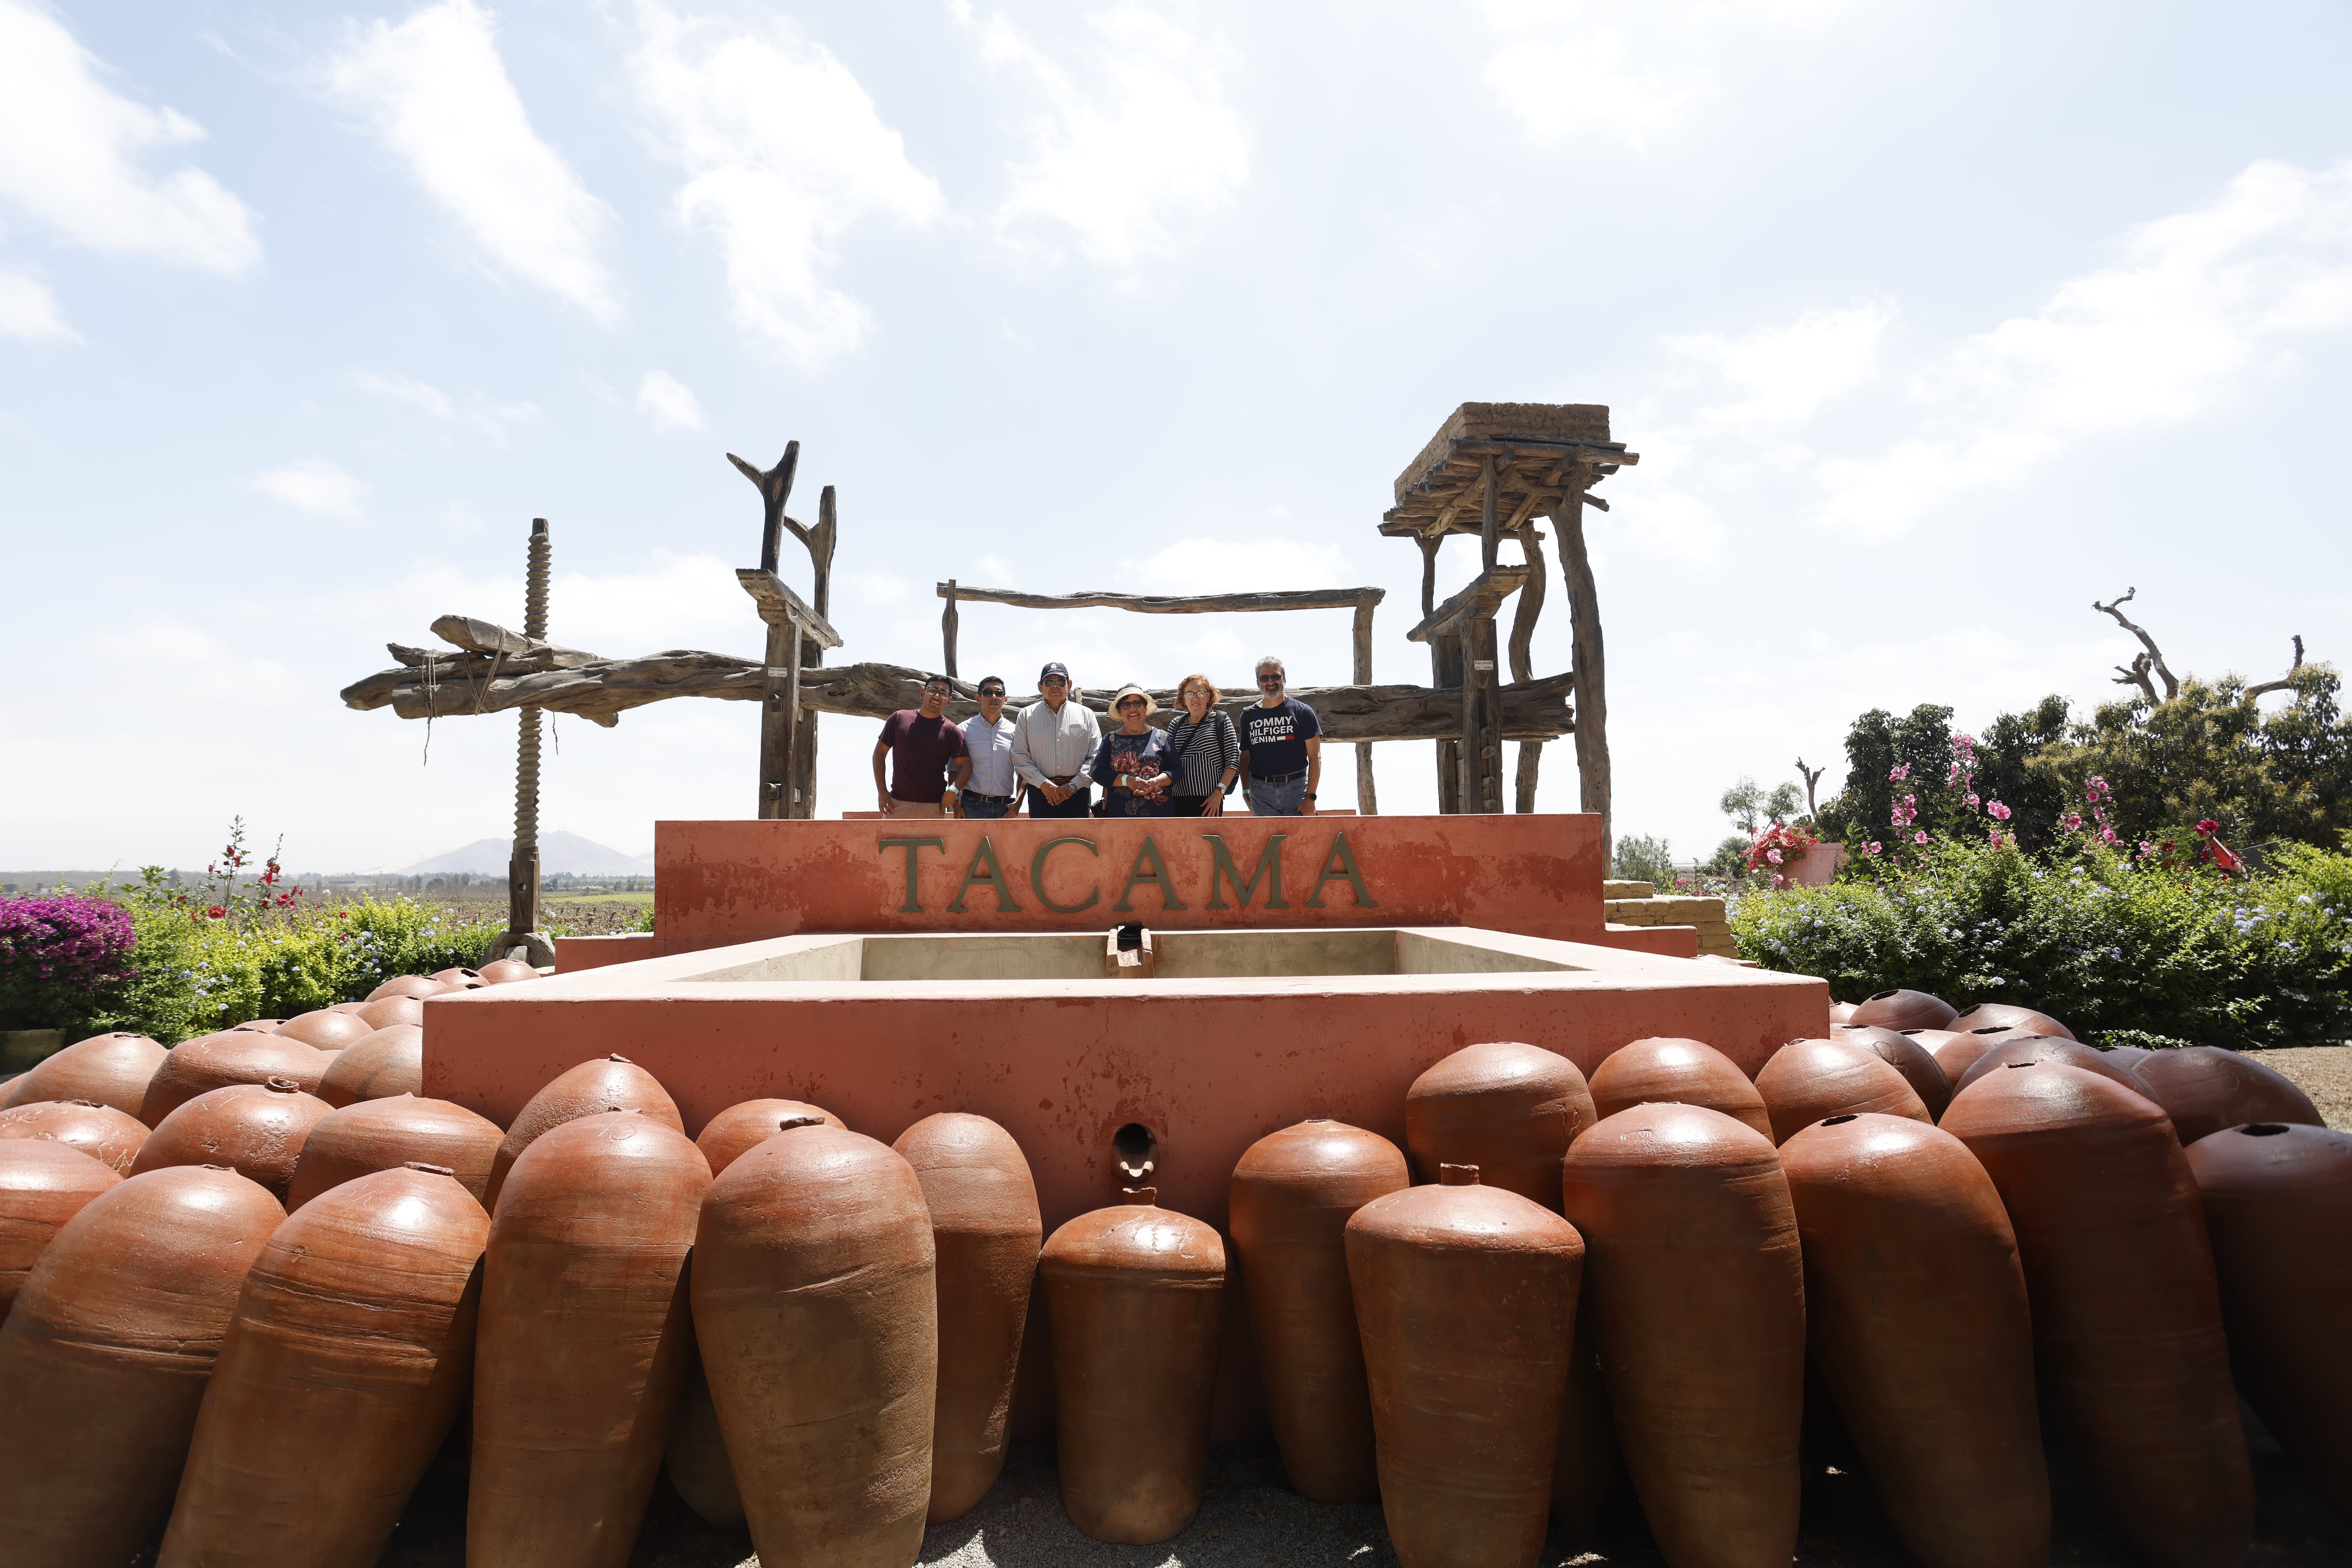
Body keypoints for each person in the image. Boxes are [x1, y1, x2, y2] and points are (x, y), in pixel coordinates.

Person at [1012, 661, 1102, 818]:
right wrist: (1044, 784)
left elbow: (1096, 756)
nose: (1055, 686)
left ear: (1069, 685)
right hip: (1040, 794)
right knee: (1042, 841)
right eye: (1049, 682)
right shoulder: (1026, 716)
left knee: (1078, 840)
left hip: (1078, 793)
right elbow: (1020, 756)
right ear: (1040, 687)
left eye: (1061, 681)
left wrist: (1073, 786)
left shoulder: (1086, 715)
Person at [872, 675, 970, 817]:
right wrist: (882, 791)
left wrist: (953, 791)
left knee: (934, 842)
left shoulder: (951, 731)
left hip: (934, 809)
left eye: (943, 693)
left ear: (949, 701)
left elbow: (966, 765)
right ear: (923, 693)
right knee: (888, 841)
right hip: (896, 806)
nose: (937, 696)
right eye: (933, 690)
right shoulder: (898, 718)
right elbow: (879, 754)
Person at [1238, 655, 1321, 816]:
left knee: (1300, 840)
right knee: (1266, 841)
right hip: (1260, 792)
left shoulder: (1303, 712)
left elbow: (1315, 757)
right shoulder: (1248, 716)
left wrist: (1311, 797)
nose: (1270, 682)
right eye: (1265, 678)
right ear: (1258, 682)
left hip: (1297, 791)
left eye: (1276, 677)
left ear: (1284, 679)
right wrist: (1245, 789)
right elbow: (1245, 756)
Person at [1090, 685, 1177, 817]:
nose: (1132, 708)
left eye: (1137, 703)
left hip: (1160, 814)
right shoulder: (1110, 739)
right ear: (1120, 712)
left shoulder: (1162, 737)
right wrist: (1127, 780)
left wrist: (1156, 782)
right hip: (1120, 816)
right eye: (1126, 705)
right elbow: (1098, 772)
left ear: (1145, 708)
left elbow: (1177, 770)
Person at [1161, 674, 1239, 817]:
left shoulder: (1221, 721)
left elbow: (1233, 761)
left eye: (1201, 693)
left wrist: (1218, 793)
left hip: (1210, 801)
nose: (1195, 698)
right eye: (1190, 693)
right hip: (1177, 800)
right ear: (1183, 698)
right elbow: (1169, 762)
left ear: (1209, 696)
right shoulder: (1175, 725)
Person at [956, 676, 1019, 818]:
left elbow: (1023, 769)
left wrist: (1019, 802)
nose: (994, 697)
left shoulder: (1016, 732)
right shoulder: (963, 730)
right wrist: (955, 805)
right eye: (988, 693)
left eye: (999, 693)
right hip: (971, 806)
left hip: (1005, 808)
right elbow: (954, 768)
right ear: (978, 698)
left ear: (1006, 699)